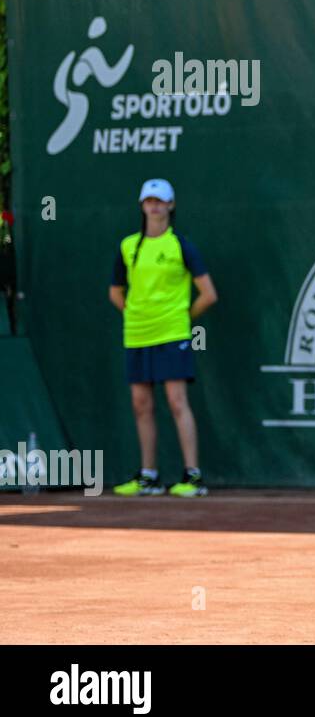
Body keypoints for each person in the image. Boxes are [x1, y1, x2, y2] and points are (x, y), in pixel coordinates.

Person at [109, 179, 217, 497]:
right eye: (149, 201)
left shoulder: (180, 245)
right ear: (142, 206)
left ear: (171, 205)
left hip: (172, 333)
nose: (154, 206)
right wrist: (134, 314)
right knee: (141, 404)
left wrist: (182, 318)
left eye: (160, 201)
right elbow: (115, 292)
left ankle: (192, 477)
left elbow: (208, 294)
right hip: (137, 334)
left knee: (176, 401)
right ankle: (149, 476)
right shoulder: (128, 246)